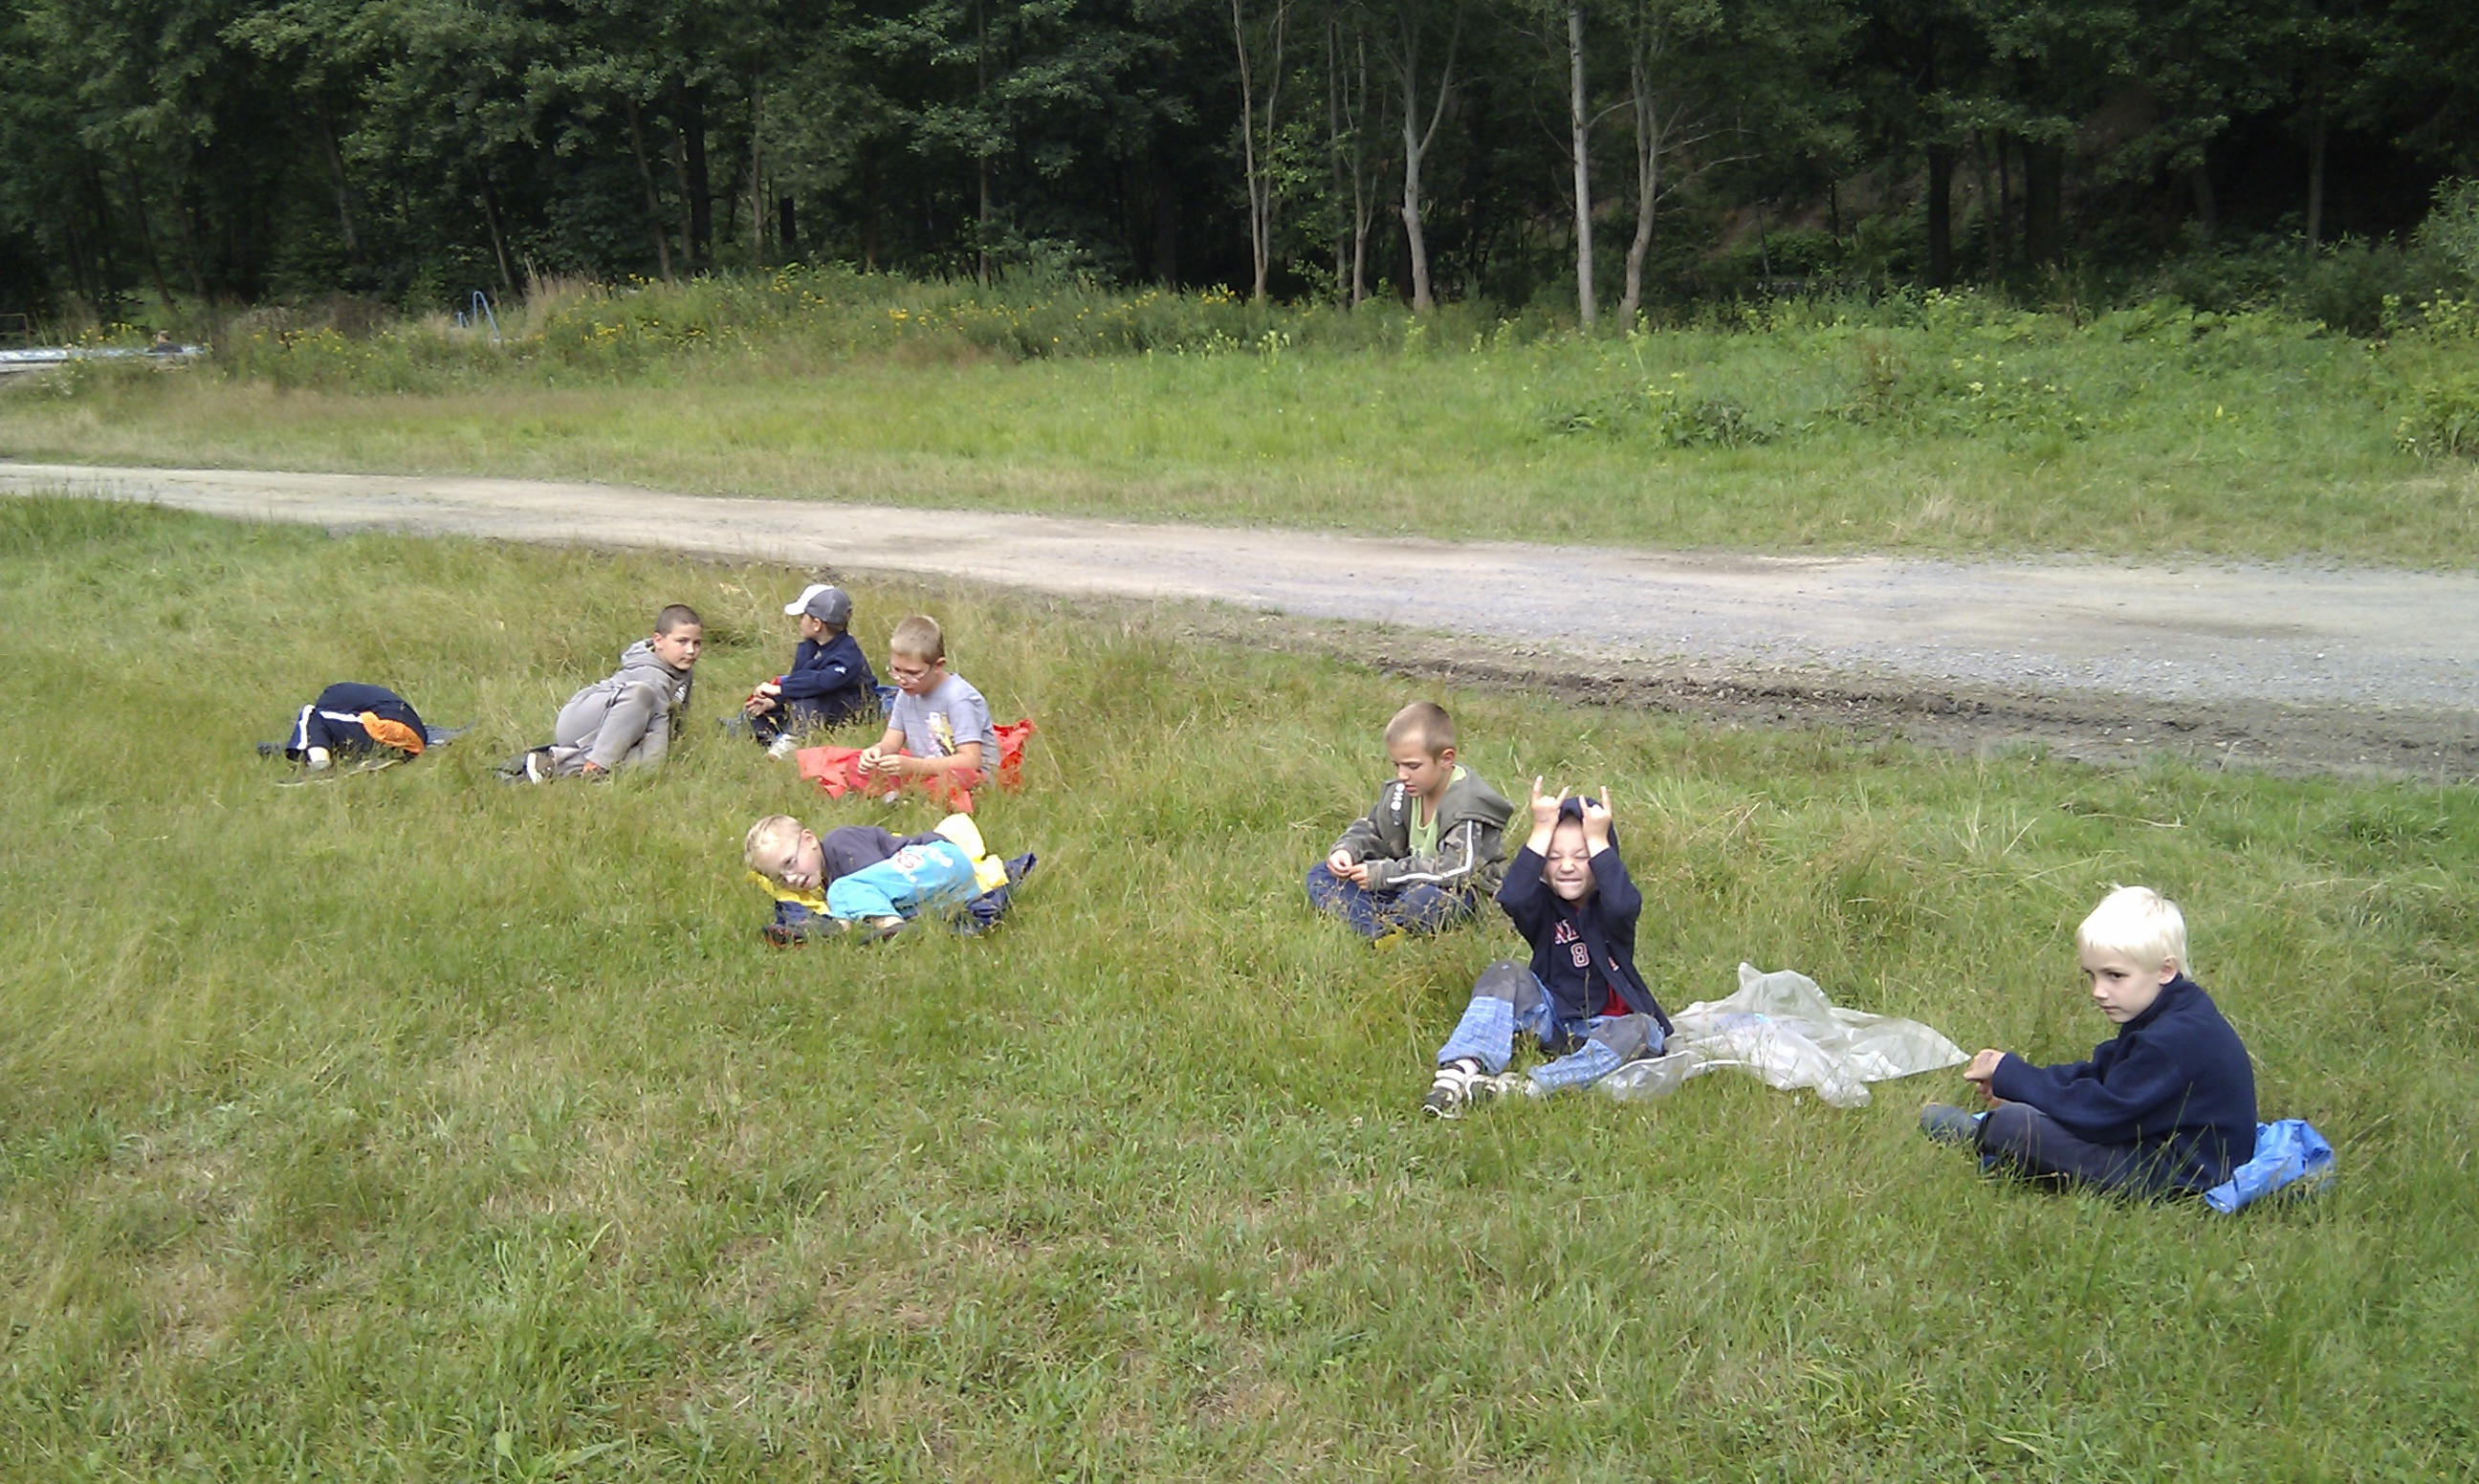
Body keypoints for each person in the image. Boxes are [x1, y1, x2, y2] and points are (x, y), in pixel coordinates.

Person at [1920, 885, 2258, 1197]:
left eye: (2115, 976)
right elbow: (2101, 1074)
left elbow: (2101, 1116)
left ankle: (1981, 1137)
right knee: (2030, 1111)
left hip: (2181, 1173)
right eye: (2092, 976)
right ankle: (2006, 1136)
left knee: (2016, 1125)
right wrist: (2014, 1081)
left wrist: (2016, 1078)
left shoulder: (2172, 1039)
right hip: (2160, 1140)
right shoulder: (2175, 1008)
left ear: (2165, 970)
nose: (2098, 991)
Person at [1423, 782, 1674, 1118]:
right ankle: (1459, 1071)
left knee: (1644, 1029)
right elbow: (1512, 896)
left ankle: (1527, 1088)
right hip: (1551, 1018)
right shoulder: (1541, 905)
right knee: (1505, 972)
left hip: (1609, 1027)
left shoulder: (1612, 909)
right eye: (1554, 858)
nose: (1566, 866)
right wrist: (1541, 828)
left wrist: (1598, 839)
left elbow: (1624, 902)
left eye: (1582, 857)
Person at [1307, 702, 1513, 939]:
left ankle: (1378, 922)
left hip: (1454, 892)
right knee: (1321, 875)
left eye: (1412, 766)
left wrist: (1384, 874)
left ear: (1446, 759)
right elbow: (1374, 828)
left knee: (1424, 900)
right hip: (1405, 881)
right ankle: (1384, 929)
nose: (1402, 775)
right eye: (1397, 765)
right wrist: (1347, 850)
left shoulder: (1467, 804)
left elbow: (1458, 869)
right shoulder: (1403, 791)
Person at [743, 811, 1030, 943]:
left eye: (790, 863)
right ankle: (831, 929)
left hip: (939, 860)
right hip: (951, 892)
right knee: (844, 894)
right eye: (781, 878)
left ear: (809, 839)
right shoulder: (827, 877)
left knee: (841, 891)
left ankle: (886, 928)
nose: (791, 879)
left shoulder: (840, 844)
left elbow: (882, 876)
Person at [520, 604, 702, 780]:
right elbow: (658, 726)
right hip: (580, 720)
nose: (691, 650)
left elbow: (676, 718)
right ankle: (592, 764)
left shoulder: (682, 671)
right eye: (682, 642)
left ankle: (556, 762)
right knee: (640, 695)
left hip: (617, 725)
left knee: (640, 760)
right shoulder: (652, 676)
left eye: (697, 643)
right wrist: (656, 767)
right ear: (658, 641)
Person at [856, 615, 997, 797]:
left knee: (952, 783)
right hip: (925, 769)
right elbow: (891, 742)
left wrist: (915, 766)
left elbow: (970, 761)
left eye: (913, 673)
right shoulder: (906, 693)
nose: (902, 680)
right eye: (896, 670)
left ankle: (906, 796)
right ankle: (905, 794)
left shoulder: (959, 698)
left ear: (938, 666)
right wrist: (877, 752)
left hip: (965, 775)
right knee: (856, 765)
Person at [744, 582, 878, 755]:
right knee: (773, 699)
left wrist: (781, 688)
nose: (799, 622)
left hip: (848, 708)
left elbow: (824, 681)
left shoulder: (848, 655)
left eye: (802, 617)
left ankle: (793, 740)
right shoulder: (808, 648)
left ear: (816, 624)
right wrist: (775, 700)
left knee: (807, 700)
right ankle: (759, 733)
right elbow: (799, 679)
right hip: (816, 703)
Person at [280, 682, 428, 771]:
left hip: (384, 725)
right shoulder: (354, 694)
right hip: (414, 740)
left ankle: (320, 766)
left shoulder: (327, 699)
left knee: (311, 714)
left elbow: (319, 729)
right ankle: (385, 756)